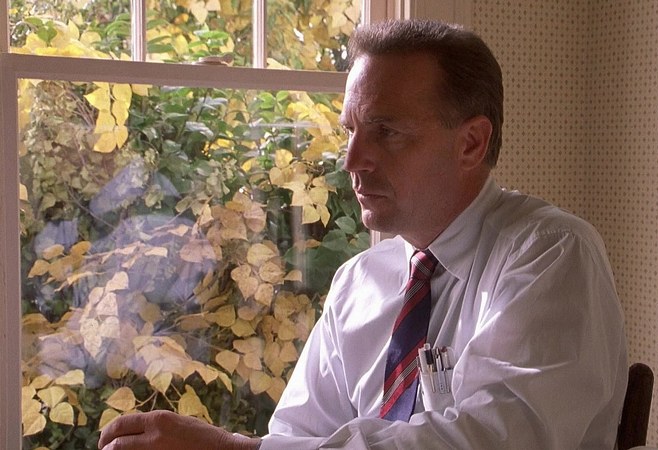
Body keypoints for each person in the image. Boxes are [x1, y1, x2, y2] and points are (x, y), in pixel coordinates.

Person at [98, 19, 627, 450]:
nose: (352, 160)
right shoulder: (360, 281)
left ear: (471, 143)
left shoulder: (550, 254)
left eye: (386, 131)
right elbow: (298, 437)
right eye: (351, 130)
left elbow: (496, 441)